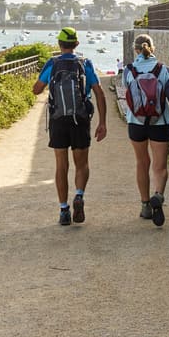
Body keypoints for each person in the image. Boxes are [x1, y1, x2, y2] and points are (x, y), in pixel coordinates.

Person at [32, 26, 107, 225]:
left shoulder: (52, 63)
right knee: (81, 164)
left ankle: (64, 210)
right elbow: (99, 93)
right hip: (80, 119)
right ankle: (79, 195)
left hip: (58, 119)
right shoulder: (85, 63)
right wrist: (102, 122)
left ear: (59, 44)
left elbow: (36, 90)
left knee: (61, 165)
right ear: (77, 44)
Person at [122, 33, 169, 226]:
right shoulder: (162, 69)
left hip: (136, 123)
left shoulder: (128, 70)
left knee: (142, 162)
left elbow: (128, 91)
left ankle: (145, 205)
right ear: (152, 48)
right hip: (160, 123)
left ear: (135, 50)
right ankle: (158, 196)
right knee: (160, 166)